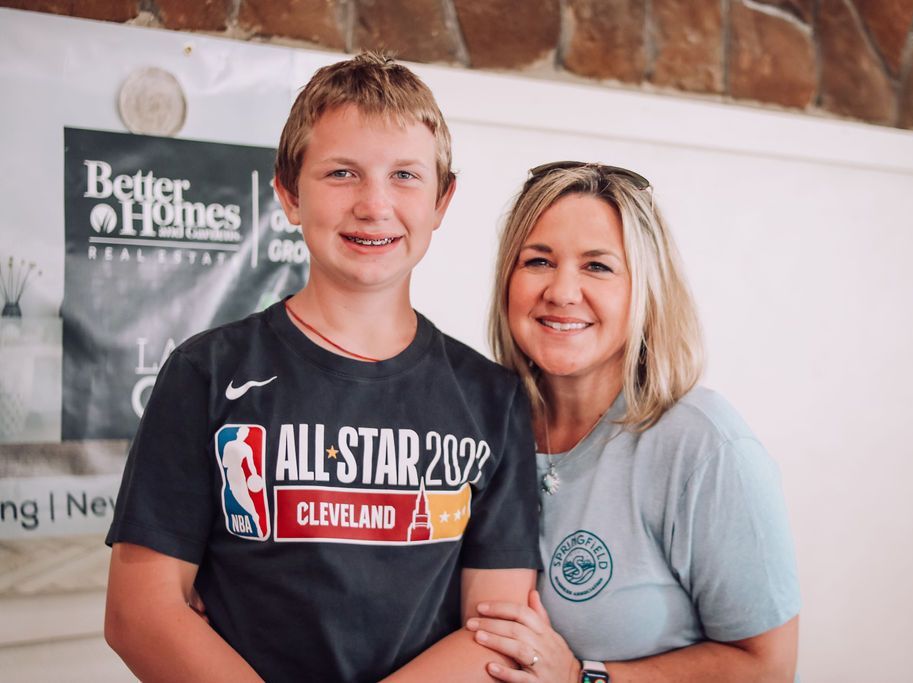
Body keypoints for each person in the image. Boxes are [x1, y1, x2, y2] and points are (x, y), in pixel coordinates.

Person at [104, 53, 540, 682]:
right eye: (342, 173)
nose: (374, 204)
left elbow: (496, 631)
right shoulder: (205, 373)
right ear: (287, 193)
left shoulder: (491, 398)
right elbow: (139, 612)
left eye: (406, 176)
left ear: (442, 201)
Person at [467, 162, 801, 682]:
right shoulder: (476, 427)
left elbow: (769, 667)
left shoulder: (705, 445)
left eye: (598, 266)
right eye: (538, 261)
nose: (561, 291)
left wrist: (584, 677)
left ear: (645, 290)